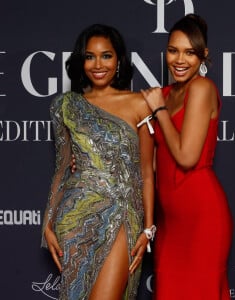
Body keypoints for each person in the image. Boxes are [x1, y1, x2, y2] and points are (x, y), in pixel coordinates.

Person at [41, 23, 155, 300]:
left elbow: (147, 172)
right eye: (90, 56)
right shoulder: (67, 106)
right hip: (76, 217)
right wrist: (47, 224)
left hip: (122, 213)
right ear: (81, 62)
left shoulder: (140, 103)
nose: (98, 64)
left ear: (118, 60)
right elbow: (61, 169)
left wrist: (148, 229)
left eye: (106, 55)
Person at [140, 14, 233, 299]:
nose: (179, 60)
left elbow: (186, 156)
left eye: (189, 52)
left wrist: (159, 111)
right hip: (169, 223)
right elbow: (151, 164)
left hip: (202, 218)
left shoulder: (202, 89)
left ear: (203, 56)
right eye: (173, 50)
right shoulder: (164, 95)